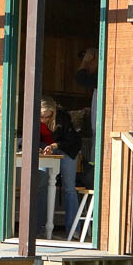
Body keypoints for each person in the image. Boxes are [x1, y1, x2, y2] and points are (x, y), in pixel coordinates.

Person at [36, 96, 82, 237]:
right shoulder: (34, 117)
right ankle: (38, 228)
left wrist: (54, 146)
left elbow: (71, 140)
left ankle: (74, 230)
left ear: (53, 112)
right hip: (47, 150)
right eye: (42, 116)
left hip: (67, 149)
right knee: (42, 184)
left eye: (47, 116)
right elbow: (33, 138)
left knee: (69, 188)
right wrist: (38, 148)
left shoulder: (62, 117)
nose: (44, 119)